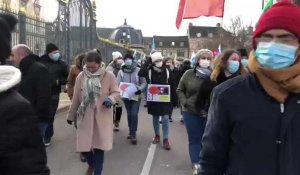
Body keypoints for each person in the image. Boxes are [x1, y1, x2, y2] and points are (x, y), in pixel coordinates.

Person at [198, 2, 300, 175]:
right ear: (256, 44)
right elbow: (211, 161)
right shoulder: (228, 95)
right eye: (266, 37)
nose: (273, 44)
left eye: (285, 38)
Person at [0, 13, 49, 175]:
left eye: (13, 56)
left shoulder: (13, 108)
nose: (12, 59)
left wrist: (42, 117)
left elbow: (30, 168)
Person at [67, 50, 119, 175]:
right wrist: (71, 115)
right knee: (86, 149)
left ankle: (97, 172)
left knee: (99, 149)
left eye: (93, 67)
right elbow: (76, 98)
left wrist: (110, 99)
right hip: (85, 117)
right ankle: (91, 165)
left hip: (102, 118)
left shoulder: (109, 76)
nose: (90, 70)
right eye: (88, 67)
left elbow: (116, 93)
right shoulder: (81, 76)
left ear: (100, 64)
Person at [177, 49, 213, 175]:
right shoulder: (188, 74)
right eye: (203, 58)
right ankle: (196, 164)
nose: (206, 61)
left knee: (207, 139)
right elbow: (180, 89)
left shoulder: (214, 74)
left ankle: (204, 161)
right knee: (195, 139)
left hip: (209, 112)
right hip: (190, 111)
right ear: (198, 60)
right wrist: (185, 102)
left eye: (208, 58)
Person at [10, 44, 52, 138]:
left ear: (21, 55)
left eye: (13, 55)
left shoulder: (39, 69)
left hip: (35, 120)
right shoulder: (20, 70)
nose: (11, 58)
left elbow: (44, 97)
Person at [139, 52, 176, 150]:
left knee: (165, 118)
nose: (158, 62)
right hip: (154, 99)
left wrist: (175, 99)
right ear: (152, 62)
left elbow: (172, 84)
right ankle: (157, 135)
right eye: (156, 61)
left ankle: (166, 139)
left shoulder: (167, 71)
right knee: (155, 118)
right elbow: (140, 73)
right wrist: (147, 62)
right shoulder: (149, 70)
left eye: (159, 60)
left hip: (165, 99)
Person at [195, 49, 247, 113]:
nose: (236, 62)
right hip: (215, 119)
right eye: (233, 59)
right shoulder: (211, 80)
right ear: (224, 61)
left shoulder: (243, 80)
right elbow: (199, 101)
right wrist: (205, 113)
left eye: (238, 60)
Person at [39, 43, 69, 146]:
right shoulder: (40, 62)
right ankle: (39, 134)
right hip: (40, 93)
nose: (56, 54)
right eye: (54, 53)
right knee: (40, 114)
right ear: (48, 53)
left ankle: (47, 136)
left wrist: (58, 81)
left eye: (57, 52)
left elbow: (66, 78)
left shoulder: (62, 64)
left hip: (54, 93)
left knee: (50, 115)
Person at [117, 54, 147, 145]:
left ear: (133, 60)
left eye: (130, 59)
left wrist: (140, 89)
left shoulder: (138, 70)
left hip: (136, 96)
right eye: (126, 59)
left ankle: (133, 134)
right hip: (126, 96)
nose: (128, 60)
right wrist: (122, 90)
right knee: (129, 114)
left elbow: (144, 82)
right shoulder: (120, 72)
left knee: (134, 114)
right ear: (124, 60)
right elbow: (117, 83)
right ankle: (131, 130)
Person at [106, 51, 124, 131]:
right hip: (111, 89)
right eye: (118, 59)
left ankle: (117, 121)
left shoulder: (124, 66)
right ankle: (110, 121)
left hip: (120, 89)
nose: (119, 60)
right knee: (111, 106)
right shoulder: (109, 67)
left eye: (120, 58)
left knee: (119, 106)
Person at [164, 57, 178, 122]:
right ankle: (164, 115)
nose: (169, 63)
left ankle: (169, 116)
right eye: (167, 62)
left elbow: (178, 78)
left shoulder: (175, 70)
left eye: (170, 62)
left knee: (171, 103)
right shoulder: (163, 70)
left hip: (173, 88)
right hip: (165, 88)